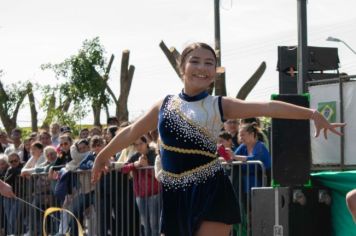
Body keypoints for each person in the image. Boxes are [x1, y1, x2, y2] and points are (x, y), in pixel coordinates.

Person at [92, 42, 344, 236]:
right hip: (174, 194)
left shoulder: (219, 105)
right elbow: (130, 132)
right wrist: (102, 155)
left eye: (209, 63)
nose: (202, 68)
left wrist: (312, 113)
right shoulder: (164, 105)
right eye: (195, 61)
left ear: (215, 72)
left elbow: (267, 107)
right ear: (182, 67)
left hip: (211, 190)